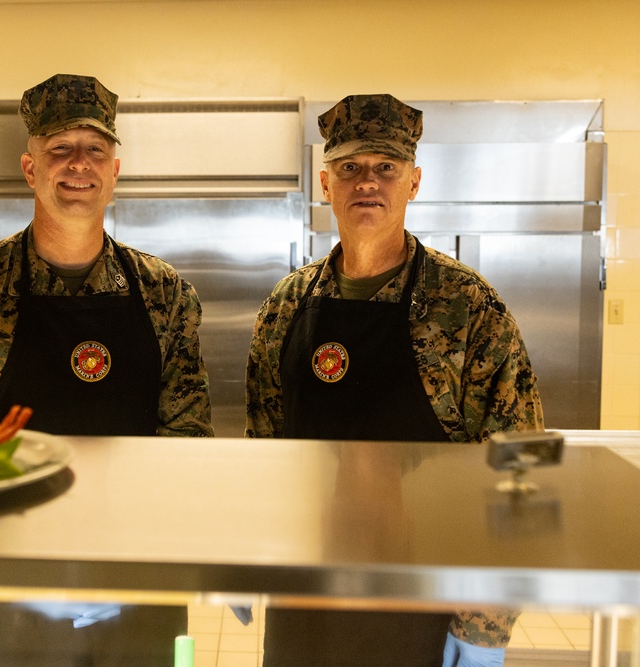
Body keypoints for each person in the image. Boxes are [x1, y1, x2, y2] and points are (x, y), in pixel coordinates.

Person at [0, 73, 213, 666]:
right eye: (60, 149)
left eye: (95, 149)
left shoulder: (165, 293)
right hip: (3, 586)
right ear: (30, 168)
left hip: (136, 580)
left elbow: (188, 443)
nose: (79, 164)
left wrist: (144, 558)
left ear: (115, 171)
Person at [245, 94, 545, 666]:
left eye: (387, 168)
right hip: (306, 596)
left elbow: (517, 467)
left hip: (424, 600)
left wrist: (485, 625)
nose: (368, 183)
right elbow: (266, 458)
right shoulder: (286, 307)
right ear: (326, 182)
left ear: (414, 182)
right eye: (351, 168)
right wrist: (254, 558)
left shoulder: (466, 304)